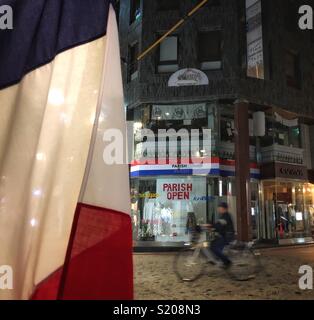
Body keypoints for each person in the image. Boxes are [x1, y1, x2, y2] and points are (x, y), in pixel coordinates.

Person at [210, 202, 235, 268]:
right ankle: (218, 258)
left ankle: (227, 262)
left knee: (214, 247)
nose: (218, 209)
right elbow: (219, 225)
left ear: (223, 208)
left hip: (227, 236)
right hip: (224, 235)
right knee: (213, 242)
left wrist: (211, 226)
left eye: (219, 207)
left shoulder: (226, 216)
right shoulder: (224, 215)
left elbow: (219, 225)